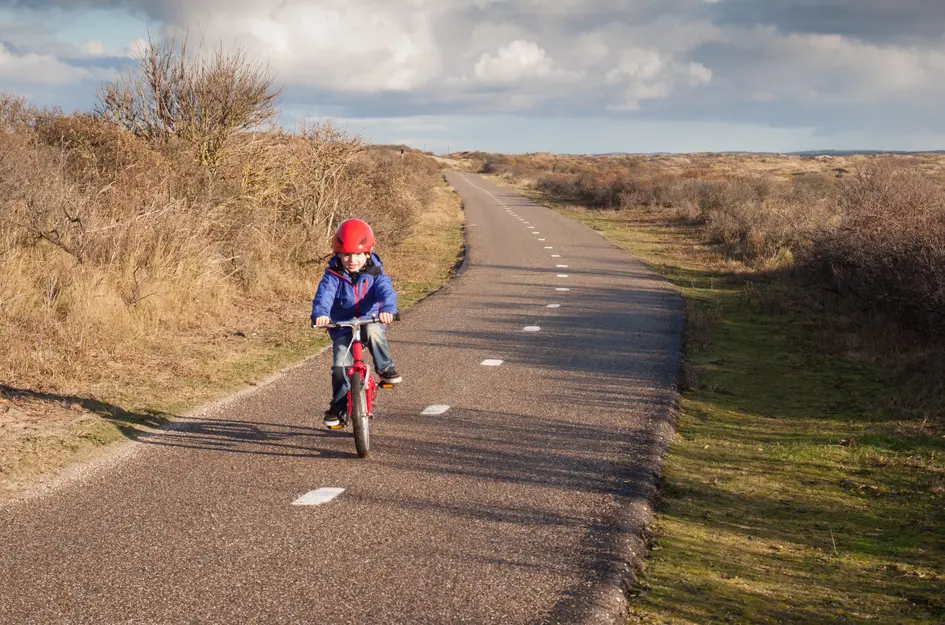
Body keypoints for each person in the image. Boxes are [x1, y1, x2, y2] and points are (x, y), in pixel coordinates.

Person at [311, 218, 402, 429]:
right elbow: (323, 297)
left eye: (358, 254)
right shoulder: (332, 276)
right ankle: (339, 406)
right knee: (340, 367)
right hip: (342, 325)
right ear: (338, 255)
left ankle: (385, 368)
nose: (352, 260)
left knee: (374, 331)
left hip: (370, 318)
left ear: (368, 254)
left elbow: (386, 291)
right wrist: (321, 315)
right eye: (346, 255)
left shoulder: (375, 273)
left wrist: (388, 310)